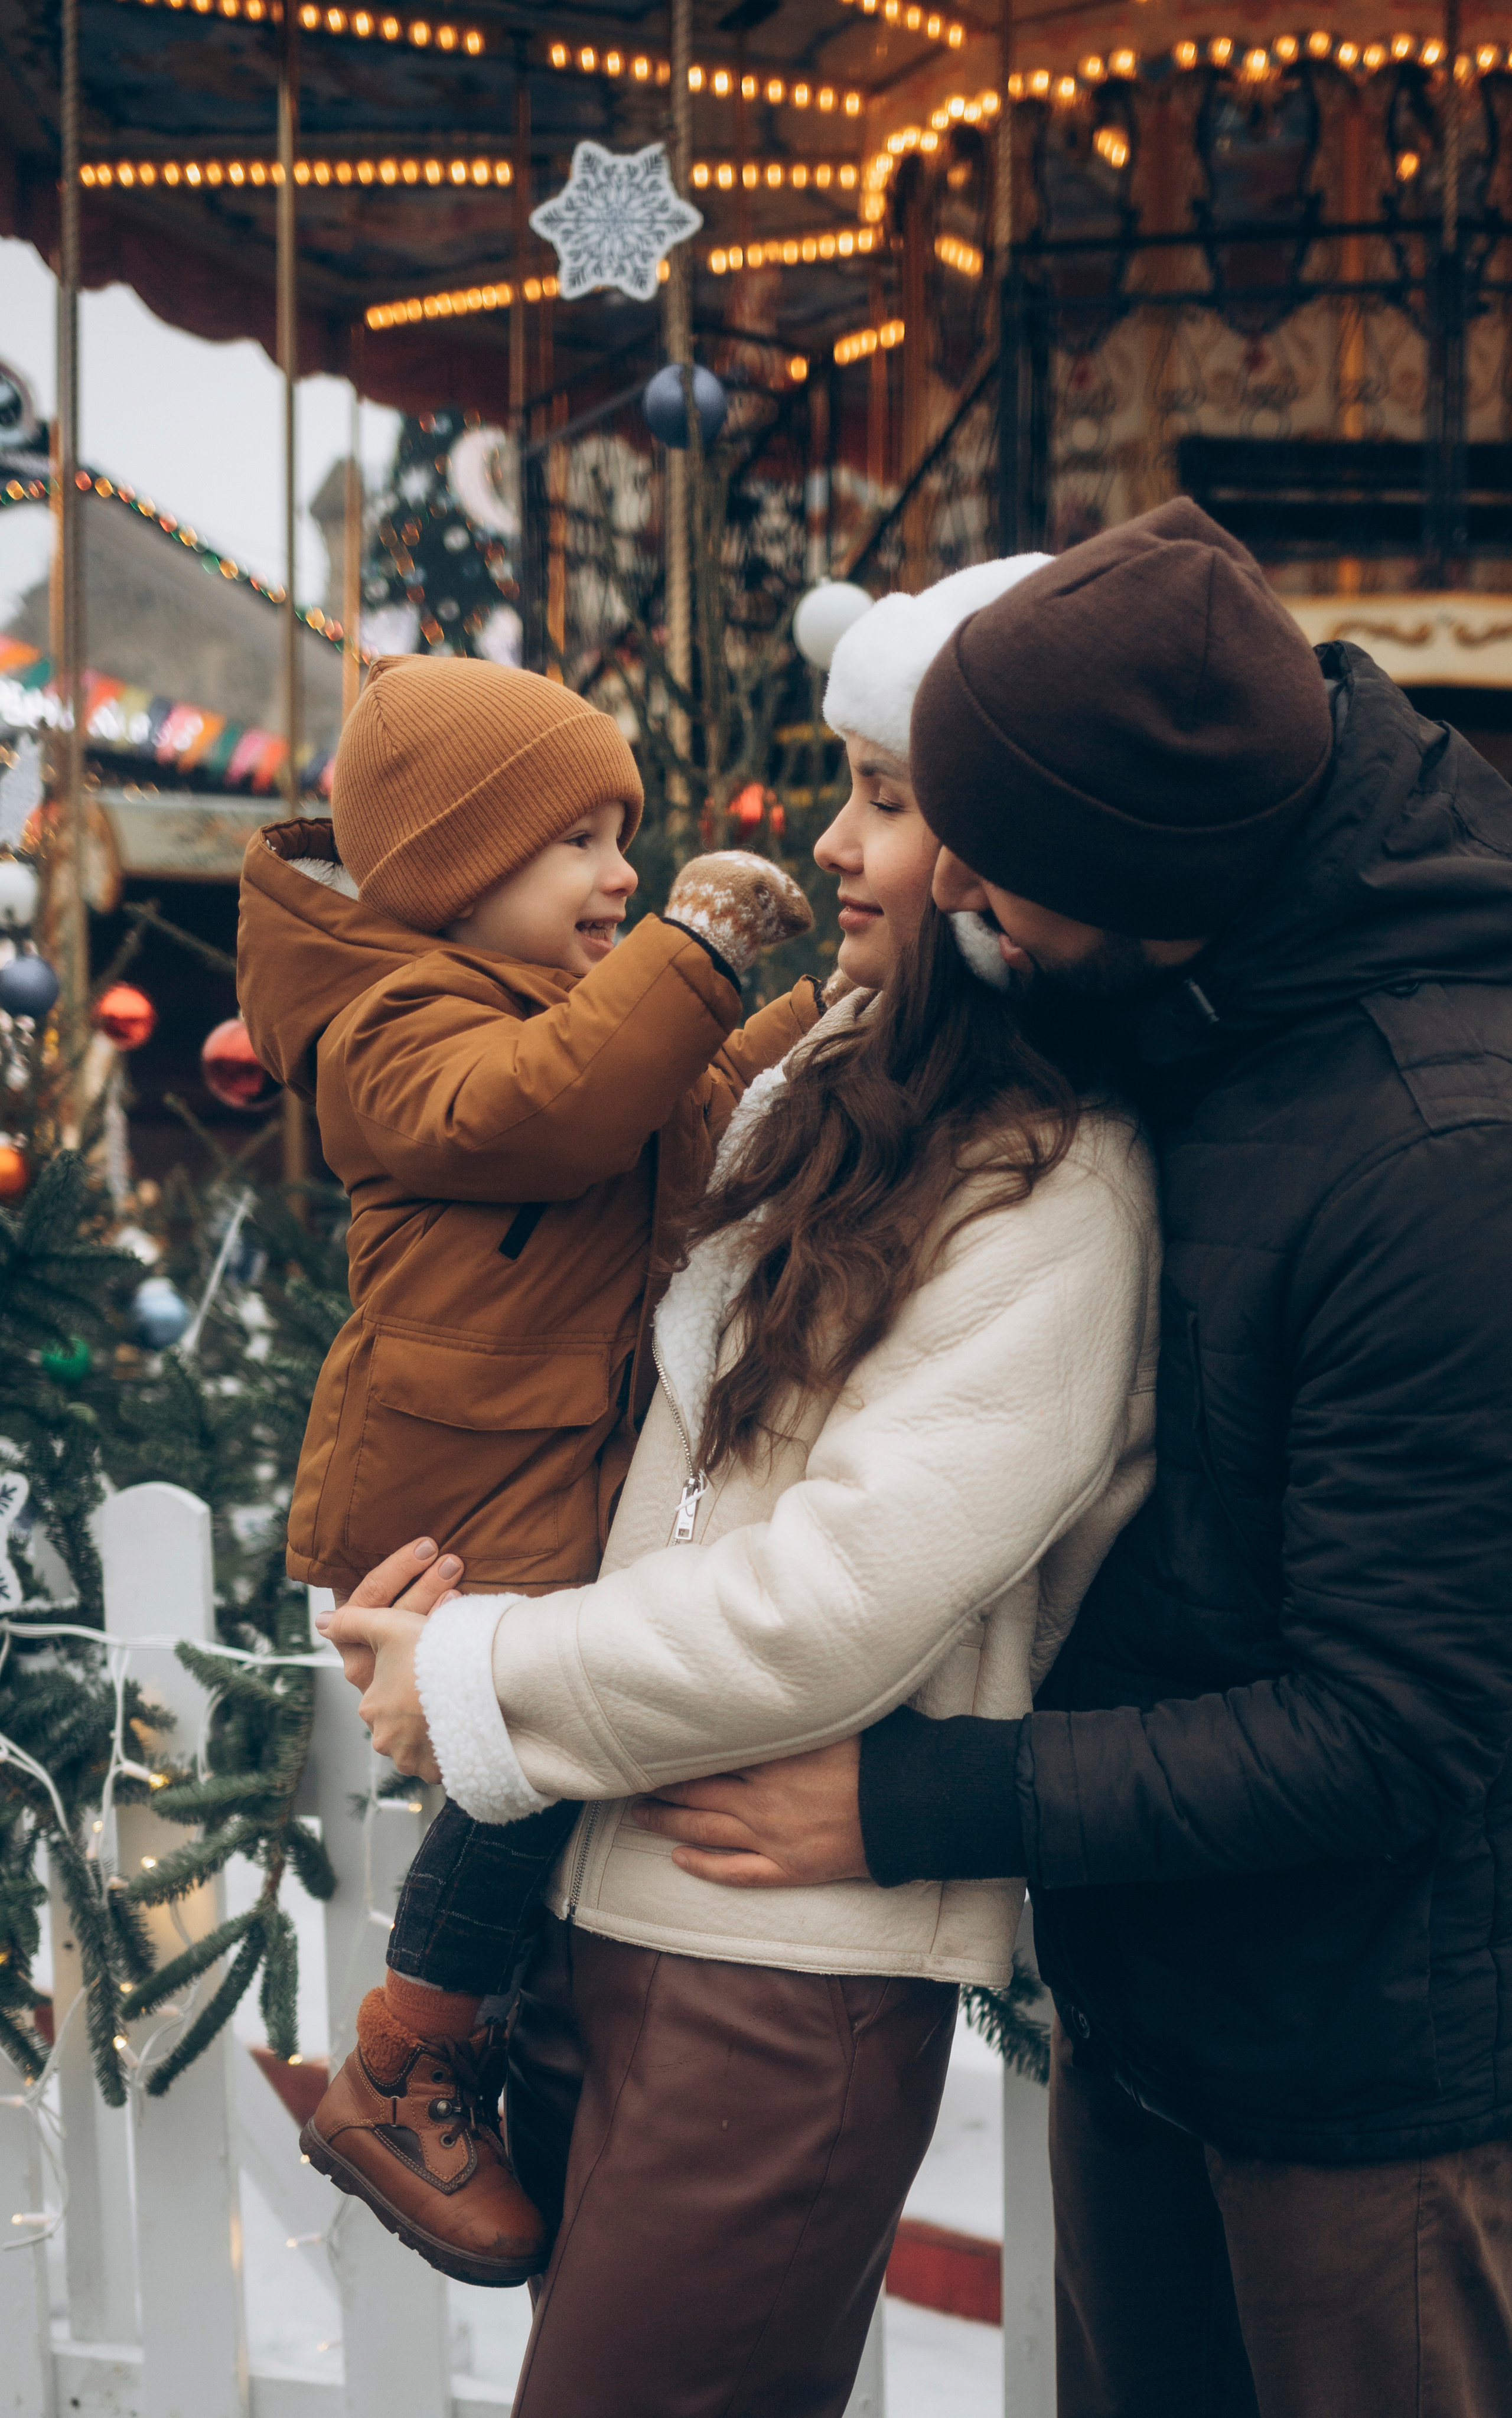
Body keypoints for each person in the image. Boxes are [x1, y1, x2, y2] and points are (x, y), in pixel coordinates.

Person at [631, 500, 1512, 2418]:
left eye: (992, 865)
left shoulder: (1438, 1155)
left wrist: (910, 1802)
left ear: (1141, 866)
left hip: (1372, 2094)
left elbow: (1394, 1725)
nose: (947, 895)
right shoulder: (1181, 1003)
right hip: (1157, 2012)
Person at [320, 550, 1162, 2418]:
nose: (834, 848)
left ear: (1003, 843)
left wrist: (487, 1684)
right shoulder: (819, 1087)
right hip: (607, 1906)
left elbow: (853, 1589)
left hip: (780, 1970)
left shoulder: (1060, 1181)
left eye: (884, 800)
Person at [237, 653, 813, 2286]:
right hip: (452, 1499)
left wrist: (824, 1015)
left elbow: (692, 1102)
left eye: (626, 838)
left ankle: (462, 2041)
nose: (619, 875)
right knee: (521, 1765)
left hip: (546, 1474)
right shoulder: (394, 1026)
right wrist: (688, 948)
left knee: (548, 1767)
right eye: (577, 842)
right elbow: (540, 1119)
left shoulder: (567, 1016)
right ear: (446, 870)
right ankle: (402, 2061)